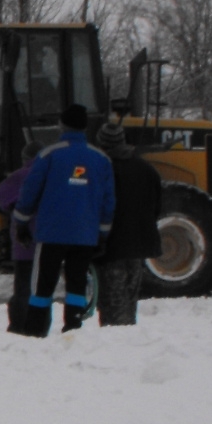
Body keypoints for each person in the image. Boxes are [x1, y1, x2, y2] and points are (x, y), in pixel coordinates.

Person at [12, 103, 116, 336]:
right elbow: (108, 201)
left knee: (42, 284)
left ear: (62, 125)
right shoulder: (101, 159)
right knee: (77, 283)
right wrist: (102, 234)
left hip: (51, 233)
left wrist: (21, 222)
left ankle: (35, 331)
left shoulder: (49, 155)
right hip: (85, 234)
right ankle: (73, 328)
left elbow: (30, 191)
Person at [94, 119, 162, 326]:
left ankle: (116, 340)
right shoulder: (146, 169)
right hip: (138, 246)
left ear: (102, 143)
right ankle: (127, 337)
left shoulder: (101, 170)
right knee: (129, 302)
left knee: (112, 305)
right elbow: (156, 207)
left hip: (111, 247)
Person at [0, 162, 36, 335]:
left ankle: (18, 325)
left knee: (23, 287)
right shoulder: (52, 173)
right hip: (48, 240)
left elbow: (2, 199)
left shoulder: (18, 176)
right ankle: (39, 325)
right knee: (42, 288)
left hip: (23, 241)